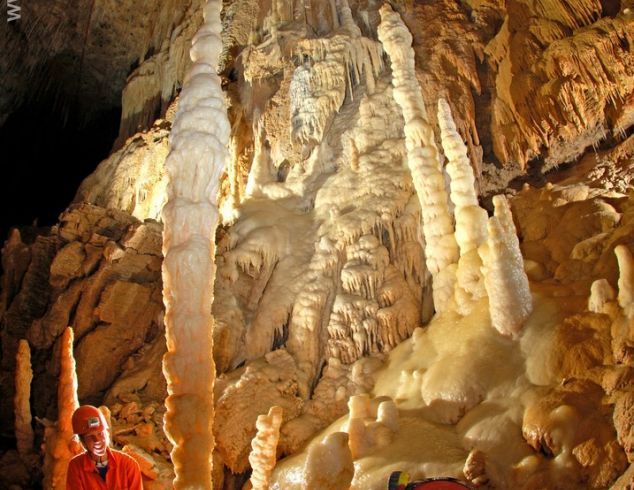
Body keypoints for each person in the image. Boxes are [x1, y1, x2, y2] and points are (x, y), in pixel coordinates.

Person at [66, 405, 143, 489]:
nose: (97, 440)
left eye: (100, 433)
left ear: (107, 433)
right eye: (90, 436)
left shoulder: (128, 465)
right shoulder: (76, 467)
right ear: (83, 442)